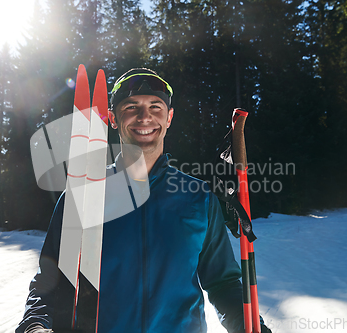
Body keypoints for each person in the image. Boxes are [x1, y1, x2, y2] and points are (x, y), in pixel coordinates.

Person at [16, 68, 271, 333]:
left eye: (156, 106)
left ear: (170, 117)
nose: (145, 116)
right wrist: (34, 325)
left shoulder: (199, 198)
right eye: (131, 106)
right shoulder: (81, 197)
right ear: (113, 119)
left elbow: (224, 283)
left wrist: (250, 326)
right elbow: (49, 282)